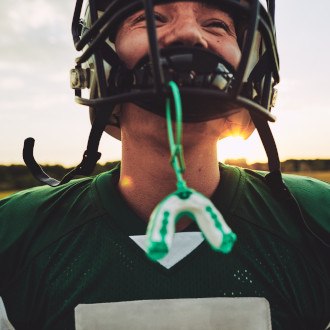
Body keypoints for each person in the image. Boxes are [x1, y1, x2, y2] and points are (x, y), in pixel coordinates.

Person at [0, 0, 329, 329]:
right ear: (103, 59)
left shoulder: (318, 217)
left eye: (216, 24)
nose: (188, 34)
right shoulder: (15, 233)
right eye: (151, 18)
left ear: (250, 63)